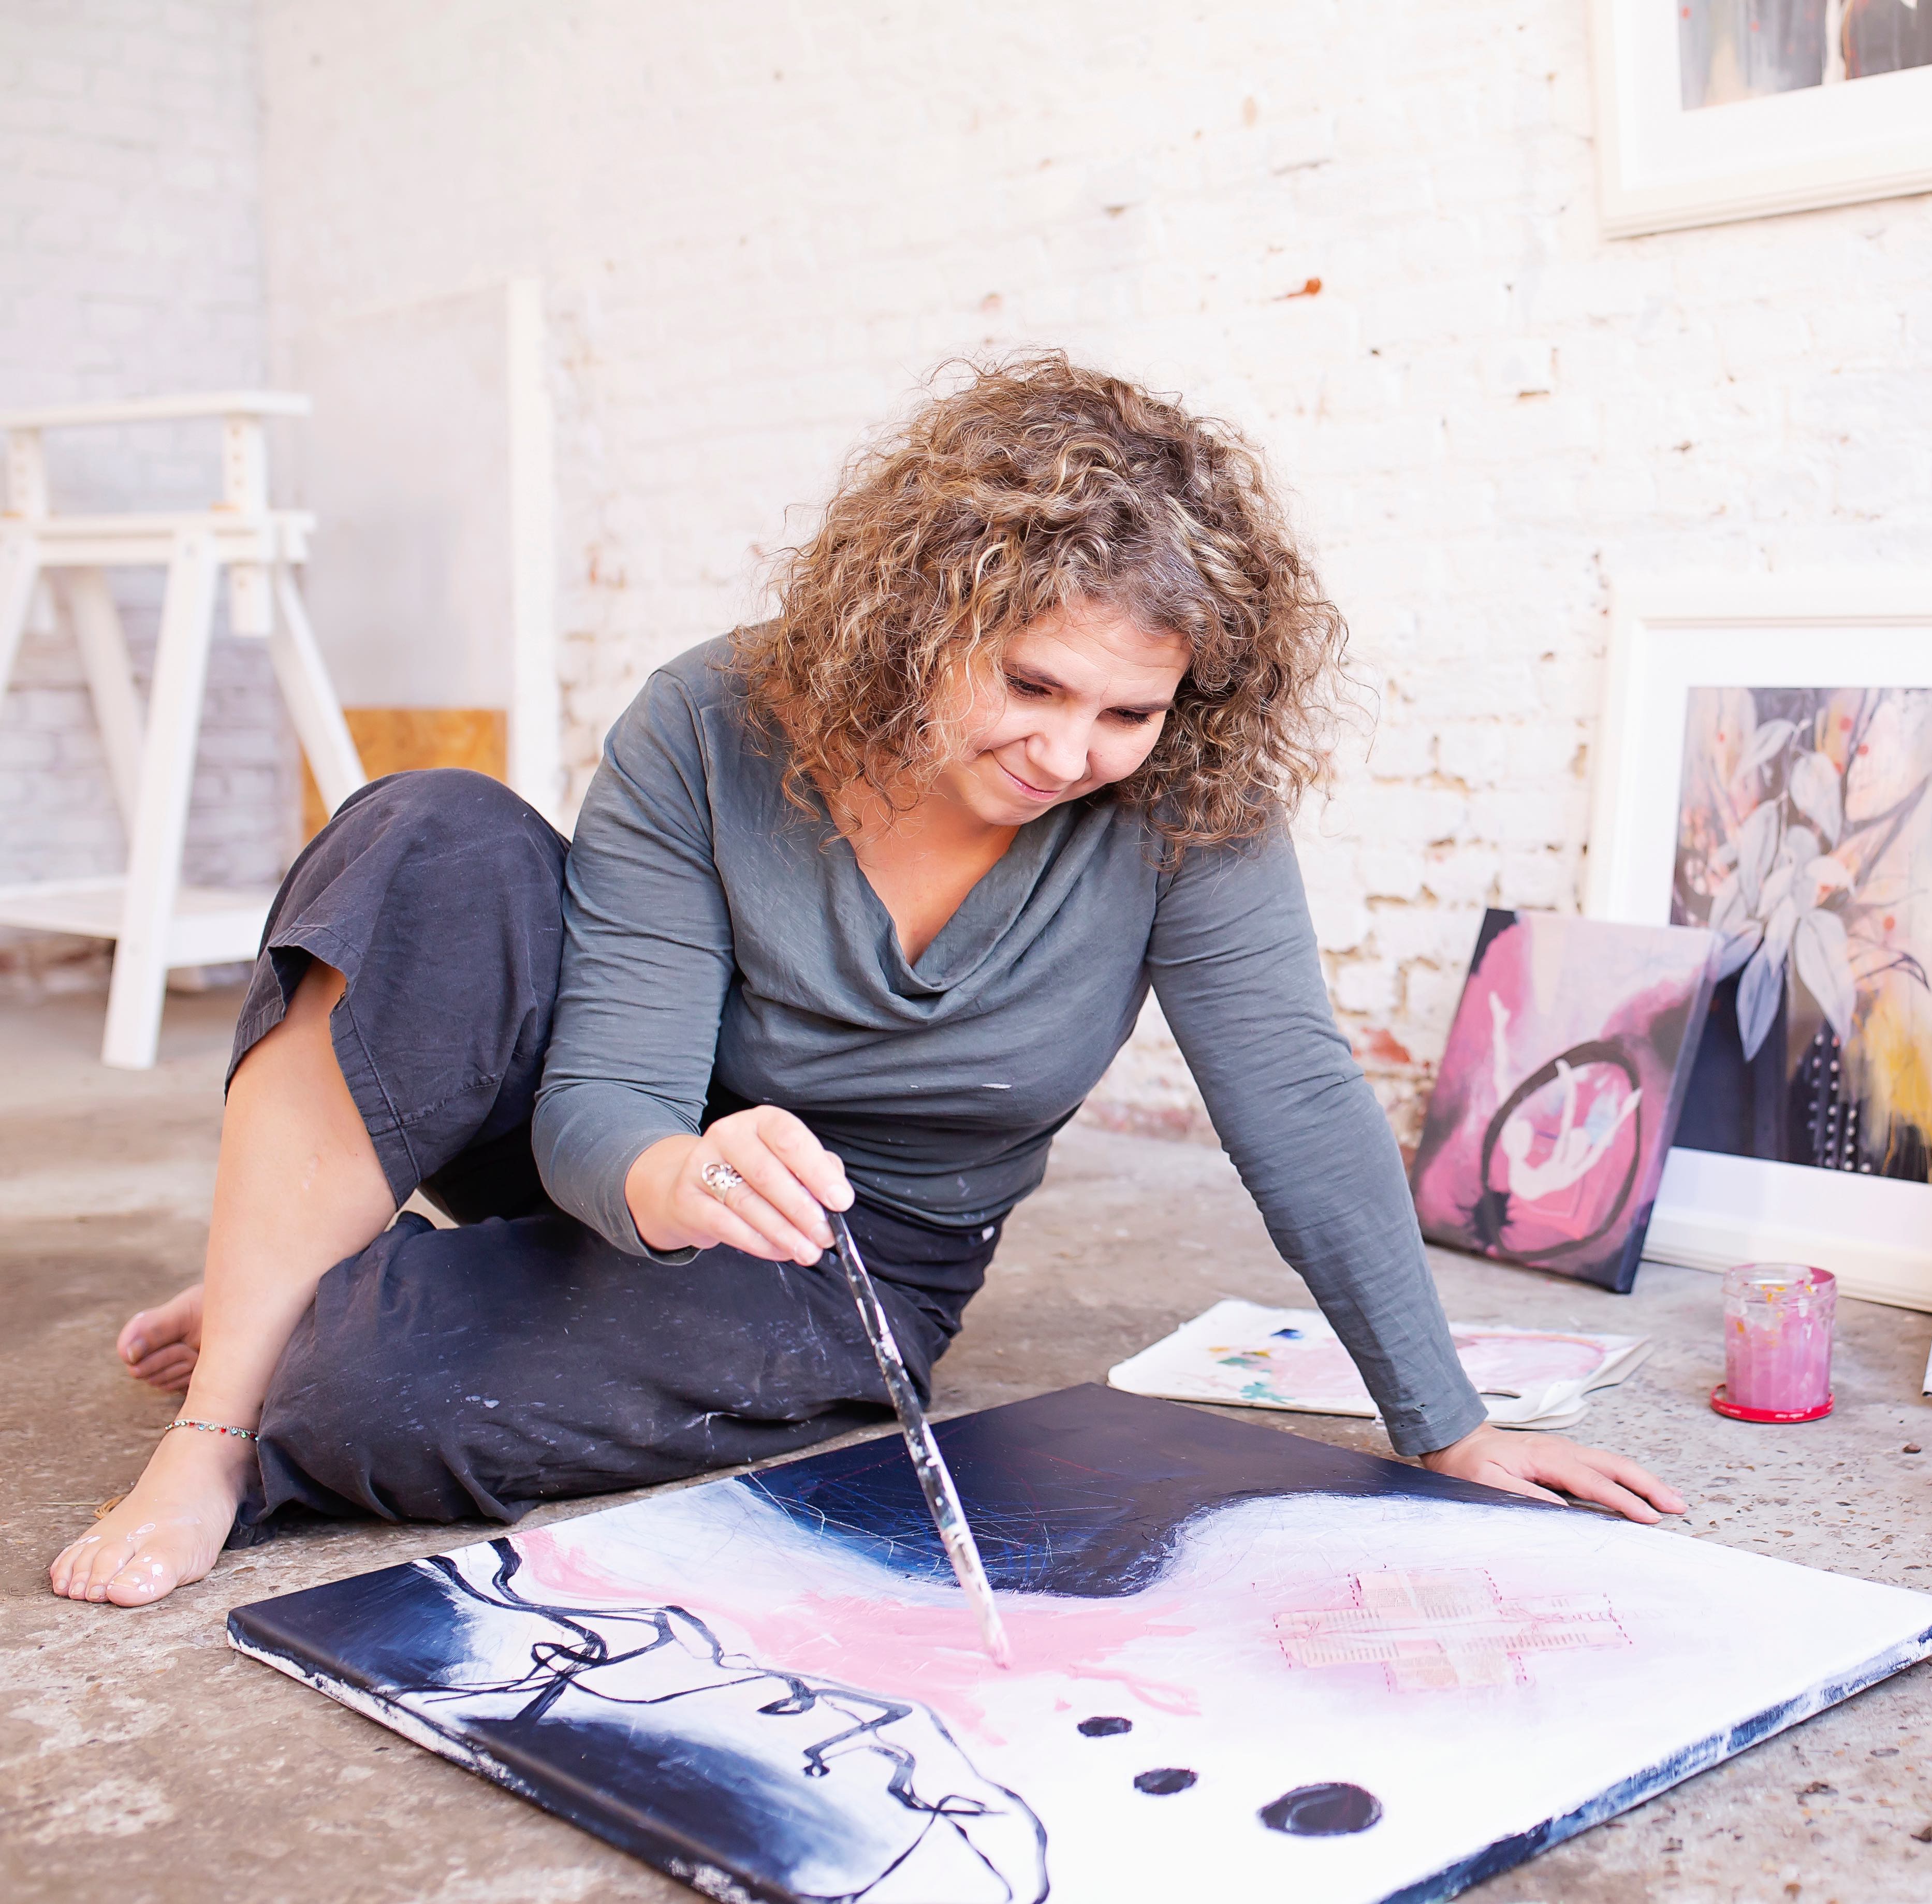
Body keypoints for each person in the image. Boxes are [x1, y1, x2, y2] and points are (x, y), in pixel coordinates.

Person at [51, 355, 1685, 1608]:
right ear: (921, 619)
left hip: (843, 1252)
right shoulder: (708, 720)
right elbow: (603, 1092)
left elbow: (1298, 1099)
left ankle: (300, 1276)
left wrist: (1442, 1419)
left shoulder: (1185, 800)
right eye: (1031, 683)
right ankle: (232, 1395)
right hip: (628, 1141)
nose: (1071, 753)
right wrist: (669, 1171)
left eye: (1126, 713)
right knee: (433, 833)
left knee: (364, 1400)